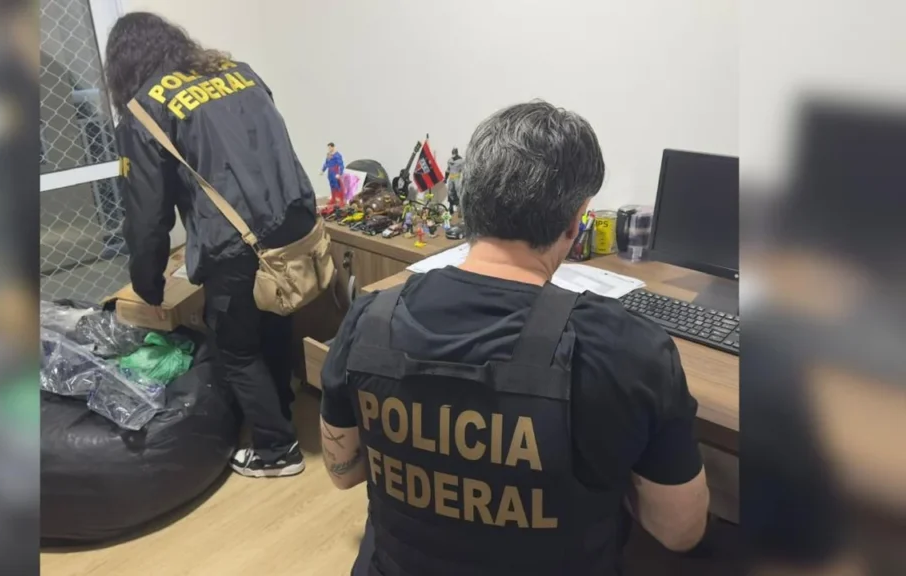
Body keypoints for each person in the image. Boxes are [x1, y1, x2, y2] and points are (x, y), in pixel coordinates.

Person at [319, 102, 710, 575]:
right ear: (576, 222)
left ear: (468, 202)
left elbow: (343, 474)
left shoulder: (369, 319)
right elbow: (680, 532)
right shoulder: (627, 350)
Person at [105, 12, 316, 478]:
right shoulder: (237, 72)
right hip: (293, 220)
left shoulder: (144, 110)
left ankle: (277, 450)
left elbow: (147, 215)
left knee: (237, 346)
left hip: (237, 240)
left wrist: (148, 282)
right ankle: (279, 406)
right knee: (275, 317)